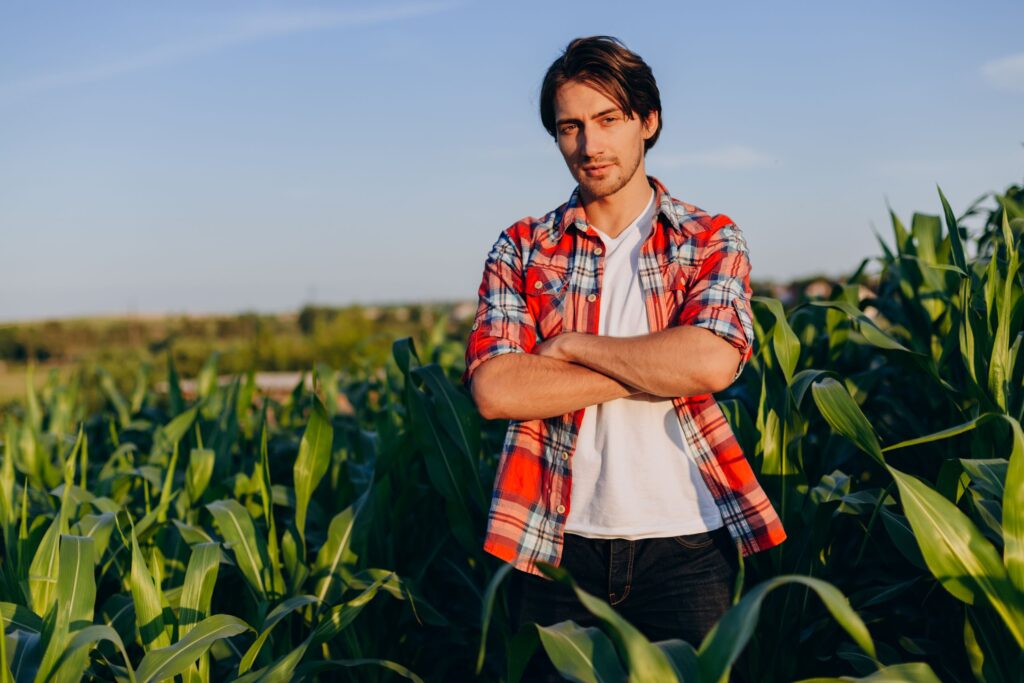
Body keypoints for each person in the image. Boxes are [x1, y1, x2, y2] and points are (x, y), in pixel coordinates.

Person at [462, 35, 785, 679]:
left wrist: (574, 348)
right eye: (570, 127)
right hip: (556, 545)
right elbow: (498, 389)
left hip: (688, 545)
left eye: (609, 120)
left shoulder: (708, 238)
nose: (590, 145)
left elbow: (711, 363)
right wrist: (650, 365)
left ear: (649, 121)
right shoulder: (523, 247)